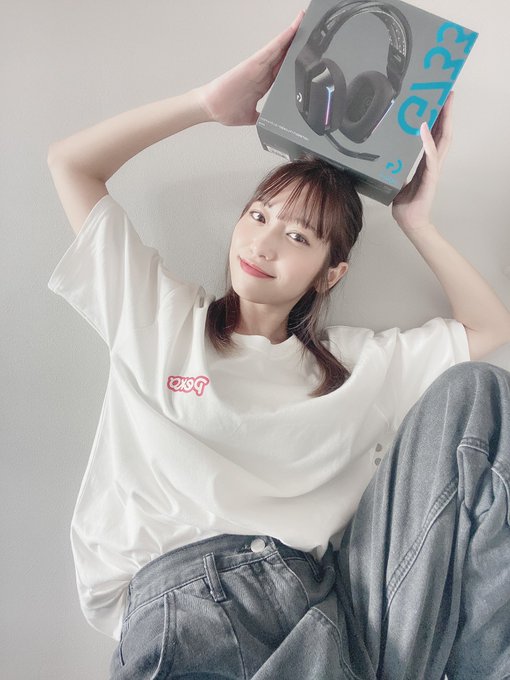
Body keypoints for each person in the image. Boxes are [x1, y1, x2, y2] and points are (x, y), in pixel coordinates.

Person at [46, 9, 510, 680]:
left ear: (330, 273)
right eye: (259, 216)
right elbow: (71, 164)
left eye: (297, 236)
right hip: (189, 609)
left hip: (334, 616)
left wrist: (417, 222)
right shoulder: (159, 317)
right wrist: (206, 105)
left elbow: (488, 332)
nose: (263, 243)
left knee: (480, 392)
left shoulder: (356, 367)